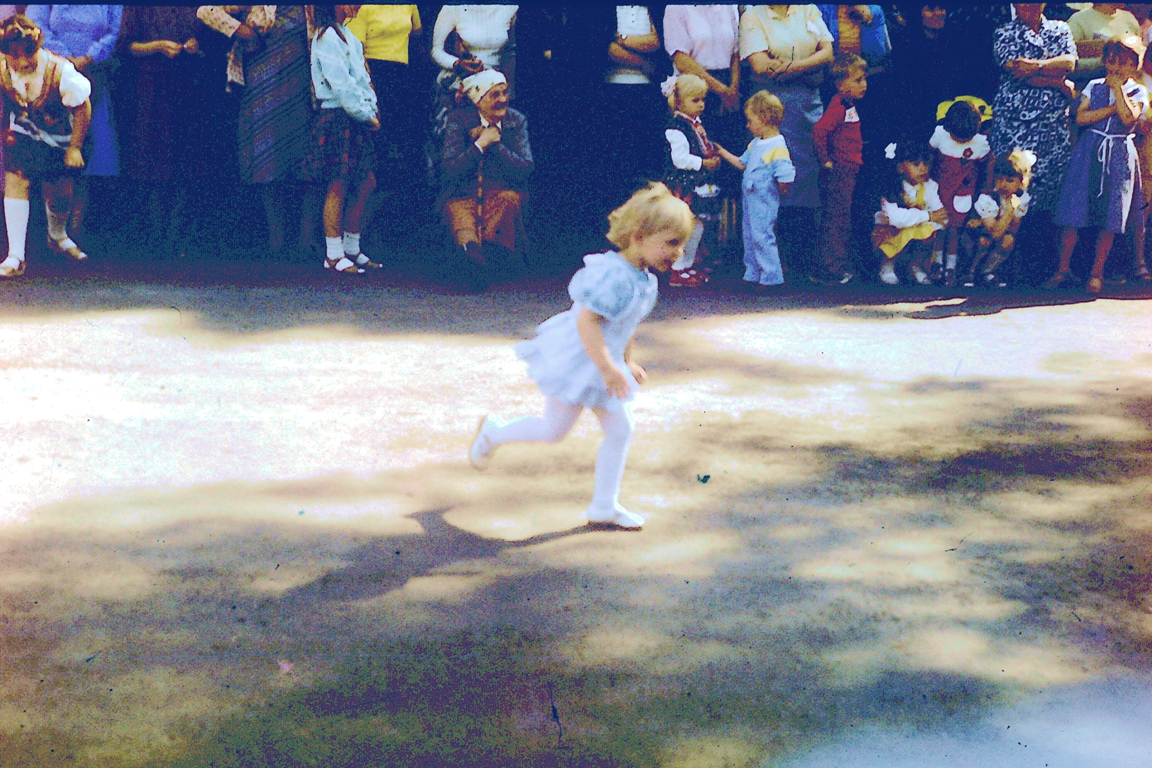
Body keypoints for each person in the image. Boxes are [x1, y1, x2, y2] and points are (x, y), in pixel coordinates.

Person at [468, 182, 694, 530]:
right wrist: (608, 368)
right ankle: (494, 433)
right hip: (579, 361)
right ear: (639, 236)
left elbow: (626, 323)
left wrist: (626, 362)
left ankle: (604, 506)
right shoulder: (614, 276)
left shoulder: (643, 279)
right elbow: (587, 322)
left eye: (681, 244)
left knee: (621, 429)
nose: (678, 252)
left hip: (604, 364)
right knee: (552, 431)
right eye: (672, 243)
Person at [197, 6, 317, 259]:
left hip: (301, 79)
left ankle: (305, 241)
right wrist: (240, 29)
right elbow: (206, 10)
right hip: (264, 80)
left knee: (306, 158)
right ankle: (276, 240)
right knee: (267, 157)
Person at [1047, 35, 1148, 294]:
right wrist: (1111, 109)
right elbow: (1081, 117)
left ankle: (1097, 273)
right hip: (1090, 151)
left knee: (1110, 216)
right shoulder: (1093, 86)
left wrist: (1118, 91)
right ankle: (1062, 270)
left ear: (1133, 65)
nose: (1116, 68)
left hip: (1120, 155)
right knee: (1074, 211)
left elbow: (1129, 118)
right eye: (1112, 62)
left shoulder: (1138, 91)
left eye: (1123, 63)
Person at [739, 5, 833, 280]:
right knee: (771, 180)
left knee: (806, 176)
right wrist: (808, 64)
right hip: (771, 106)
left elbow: (828, 52)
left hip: (809, 104)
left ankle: (802, 259)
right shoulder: (753, 14)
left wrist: (792, 66)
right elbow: (759, 65)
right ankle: (774, 262)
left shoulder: (808, 9)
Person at [988, 3, 1077, 285]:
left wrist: (1036, 67)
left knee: (1048, 196)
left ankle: (1043, 270)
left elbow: (1070, 63)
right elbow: (1015, 70)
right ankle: (1006, 270)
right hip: (1014, 126)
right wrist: (1057, 82)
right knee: (1013, 195)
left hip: (1052, 129)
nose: (1028, 5)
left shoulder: (1060, 28)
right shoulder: (1004, 32)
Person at [0, 14, 91, 278]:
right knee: (17, 179)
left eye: (28, 54)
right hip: (22, 131)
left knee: (60, 188)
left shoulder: (60, 71)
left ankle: (57, 235)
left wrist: (74, 147)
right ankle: (16, 255)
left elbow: (83, 107)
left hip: (58, 135)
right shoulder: (3, 67)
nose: (22, 62)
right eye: (14, 56)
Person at [23, 5, 120, 247]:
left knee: (87, 154)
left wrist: (88, 57)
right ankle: (50, 231)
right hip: (51, 74)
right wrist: (66, 60)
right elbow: (35, 24)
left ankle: (76, 231)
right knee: (52, 154)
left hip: (95, 73)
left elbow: (115, 29)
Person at [440, 68, 533, 292]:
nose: (503, 100)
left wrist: (496, 144)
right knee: (460, 212)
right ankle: (470, 255)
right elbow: (451, 168)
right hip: (463, 193)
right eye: (495, 95)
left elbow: (525, 168)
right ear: (478, 101)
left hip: (499, 193)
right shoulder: (458, 120)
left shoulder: (516, 120)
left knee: (508, 200)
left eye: (505, 93)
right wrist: (479, 146)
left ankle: (489, 257)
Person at [308, 4, 380, 275]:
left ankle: (351, 247)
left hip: (356, 118)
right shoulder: (326, 36)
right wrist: (365, 114)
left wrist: (370, 110)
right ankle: (333, 254)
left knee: (365, 181)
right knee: (338, 183)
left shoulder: (348, 35)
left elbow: (361, 79)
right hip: (338, 115)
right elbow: (341, 85)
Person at [344, 4, 422, 219]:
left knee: (402, 140)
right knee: (377, 140)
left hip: (401, 76)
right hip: (373, 75)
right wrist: (369, 86)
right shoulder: (362, 6)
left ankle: (401, 210)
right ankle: (367, 214)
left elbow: (417, 34)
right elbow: (355, 50)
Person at [714, 89, 793, 287]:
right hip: (750, 198)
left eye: (750, 120)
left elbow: (785, 172)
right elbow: (742, 163)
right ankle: (753, 272)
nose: (747, 125)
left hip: (764, 200)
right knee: (749, 235)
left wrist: (783, 187)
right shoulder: (756, 143)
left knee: (762, 236)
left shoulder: (777, 146)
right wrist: (722, 153)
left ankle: (771, 276)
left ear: (764, 118)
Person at [811, 52, 868, 285]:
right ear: (840, 84)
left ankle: (836, 264)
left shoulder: (849, 105)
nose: (863, 85)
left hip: (850, 169)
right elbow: (819, 131)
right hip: (840, 171)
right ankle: (829, 267)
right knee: (836, 219)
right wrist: (825, 159)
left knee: (841, 218)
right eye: (858, 80)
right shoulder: (838, 107)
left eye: (864, 79)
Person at [660, 72, 720, 288]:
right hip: (684, 184)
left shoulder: (694, 124)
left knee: (697, 226)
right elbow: (679, 159)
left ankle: (688, 264)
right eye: (695, 100)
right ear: (678, 102)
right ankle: (678, 268)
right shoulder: (676, 128)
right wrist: (703, 163)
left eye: (703, 99)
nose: (701, 104)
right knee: (686, 227)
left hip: (696, 183)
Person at [928, 99, 994, 285]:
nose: (962, 141)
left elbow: (987, 167)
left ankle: (951, 266)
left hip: (963, 193)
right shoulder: (940, 135)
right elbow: (930, 156)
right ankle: (936, 263)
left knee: (954, 230)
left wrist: (985, 192)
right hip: (939, 191)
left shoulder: (980, 143)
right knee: (938, 228)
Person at [873, 141, 947, 285]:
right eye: (916, 164)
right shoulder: (893, 189)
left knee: (934, 229)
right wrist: (928, 216)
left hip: (914, 227)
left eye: (926, 164)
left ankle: (916, 265)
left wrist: (937, 218)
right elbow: (895, 218)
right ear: (901, 167)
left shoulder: (930, 186)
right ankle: (887, 265)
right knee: (908, 230)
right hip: (890, 231)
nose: (923, 168)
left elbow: (939, 213)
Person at [962, 149, 1035, 288]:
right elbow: (994, 232)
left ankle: (988, 270)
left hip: (1000, 230)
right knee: (984, 240)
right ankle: (969, 271)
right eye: (999, 179)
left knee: (1008, 240)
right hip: (977, 235)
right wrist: (1009, 210)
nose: (1004, 184)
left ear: (1021, 182)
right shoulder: (988, 198)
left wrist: (1011, 213)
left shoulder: (1021, 199)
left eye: (1010, 180)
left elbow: (1014, 226)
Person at [1067, 3, 1140, 87]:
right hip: (1093, 89)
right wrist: (1106, 63)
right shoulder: (1078, 21)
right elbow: (1068, 64)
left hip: (1130, 89)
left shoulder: (1129, 18)